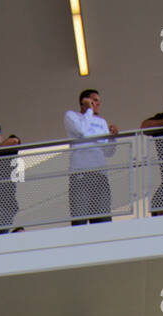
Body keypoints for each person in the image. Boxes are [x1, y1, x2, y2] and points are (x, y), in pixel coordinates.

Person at [64, 90, 119, 225]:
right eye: (94, 100)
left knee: (102, 219)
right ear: (84, 101)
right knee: (80, 218)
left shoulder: (102, 122)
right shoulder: (71, 116)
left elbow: (108, 152)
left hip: (100, 175)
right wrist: (89, 110)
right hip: (80, 174)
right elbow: (81, 131)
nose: (98, 104)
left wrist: (113, 138)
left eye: (99, 101)